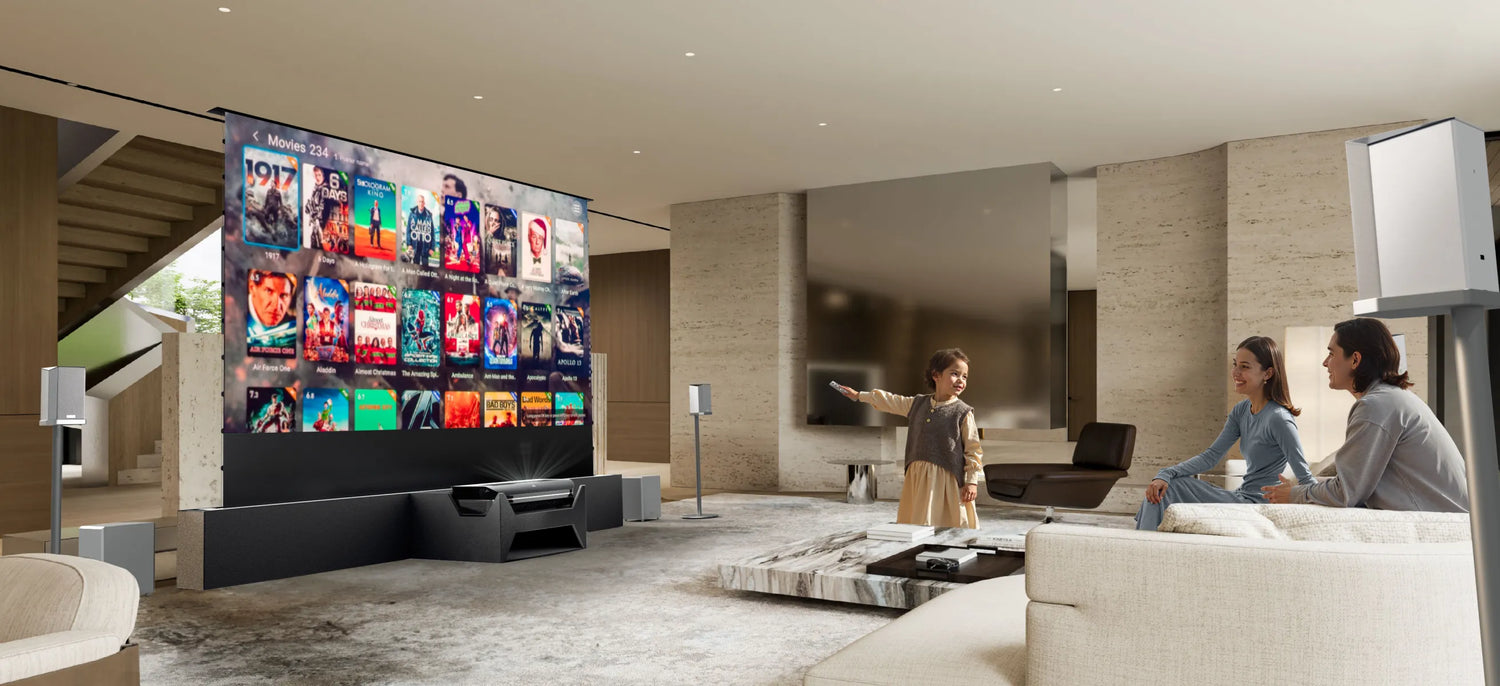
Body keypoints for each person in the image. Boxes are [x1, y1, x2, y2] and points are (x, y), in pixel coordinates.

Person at [1263, 318, 1469, 512]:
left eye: (1332, 354)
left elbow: (1346, 494)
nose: (1325, 363)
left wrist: (1294, 495)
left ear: (1355, 360)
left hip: (1443, 523)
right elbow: (1354, 484)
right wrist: (1299, 487)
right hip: (1451, 517)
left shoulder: (1376, 406)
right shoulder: (1392, 398)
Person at [1135, 336, 1315, 530]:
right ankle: (1146, 543)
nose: (1235, 372)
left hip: (1256, 506)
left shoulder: (1279, 419)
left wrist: (1307, 498)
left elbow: (1305, 478)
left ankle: (1142, 544)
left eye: (1245, 367)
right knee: (1168, 484)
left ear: (1268, 373)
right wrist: (1165, 473)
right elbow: (1211, 457)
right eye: (1235, 364)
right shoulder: (1241, 410)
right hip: (1239, 497)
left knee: (1173, 486)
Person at [835, 348, 982, 528]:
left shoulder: (963, 412)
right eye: (955, 374)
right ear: (936, 375)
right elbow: (890, 400)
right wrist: (859, 395)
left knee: (948, 522)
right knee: (918, 520)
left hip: (947, 480)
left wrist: (971, 482)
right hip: (918, 477)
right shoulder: (917, 404)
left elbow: (973, 449)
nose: (961, 380)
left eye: (965, 376)